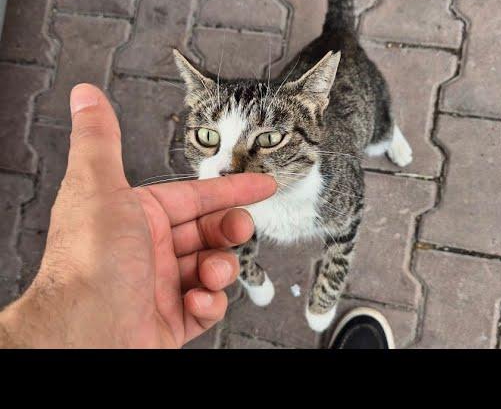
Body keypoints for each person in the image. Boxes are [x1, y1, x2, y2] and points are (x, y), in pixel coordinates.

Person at [0, 83, 394, 349]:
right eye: (209, 139)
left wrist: (324, 298)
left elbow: (348, 228)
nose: (230, 167)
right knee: (233, 234)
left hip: (346, 120)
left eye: (268, 140)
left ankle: (392, 137)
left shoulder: (331, 183)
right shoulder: (227, 187)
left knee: (381, 136)